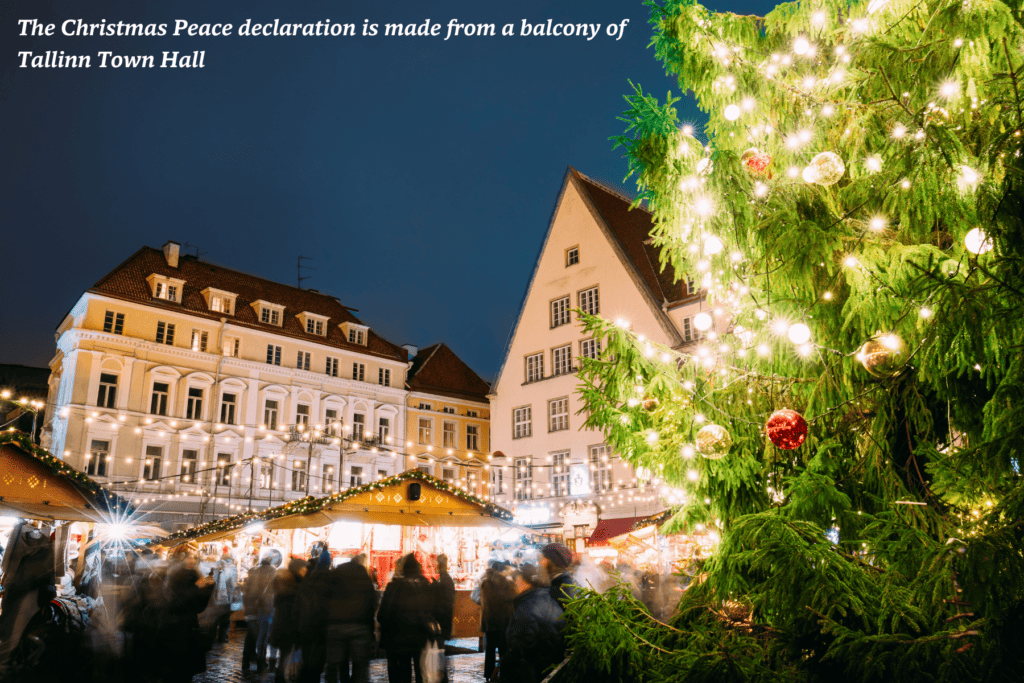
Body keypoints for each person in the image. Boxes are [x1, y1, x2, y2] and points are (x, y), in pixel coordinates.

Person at [377, 553, 436, 683]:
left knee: (404, 668)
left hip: (398, 635)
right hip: (419, 635)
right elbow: (432, 608)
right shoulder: (424, 584)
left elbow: (383, 613)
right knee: (421, 667)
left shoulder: (395, 585)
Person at [501, 564, 566, 683]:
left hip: (532, 673)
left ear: (527, 581)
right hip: (549, 670)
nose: (515, 582)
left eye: (518, 578)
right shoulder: (549, 599)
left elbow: (520, 649)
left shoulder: (526, 608)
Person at [321, 556, 379, 683]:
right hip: (360, 627)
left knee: (335, 664)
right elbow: (371, 603)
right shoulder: (364, 576)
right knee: (360, 666)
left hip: (335, 626)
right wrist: (371, 631)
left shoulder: (336, 573)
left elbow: (325, 599)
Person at [270, 558, 308, 683]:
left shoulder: (284, 584)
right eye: (303, 568)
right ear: (297, 570)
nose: (306, 571)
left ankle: (280, 679)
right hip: (291, 627)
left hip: (281, 626)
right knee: (288, 658)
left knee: (284, 658)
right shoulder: (296, 586)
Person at [478, 561, 514, 682]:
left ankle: (489, 675)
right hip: (504, 622)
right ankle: (504, 674)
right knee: (504, 650)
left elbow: (482, 601)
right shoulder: (507, 583)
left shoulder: (485, 583)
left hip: (489, 622)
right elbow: (510, 600)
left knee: (490, 650)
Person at [242, 552, 276, 672]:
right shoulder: (272, 572)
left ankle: (246, 662)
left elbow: (245, 593)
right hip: (263, 611)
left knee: (251, 636)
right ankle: (260, 664)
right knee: (261, 637)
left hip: (251, 611)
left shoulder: (254, 572)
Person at [431, 554, 456, 683]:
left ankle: (442, 676)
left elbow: (443, 600)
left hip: (442, 620)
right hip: (445, 618)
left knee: (440, 650)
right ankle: (442, 675)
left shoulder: (444, 579)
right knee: (440, 650)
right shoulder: (445, 579)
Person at [540, 543, 579, 609]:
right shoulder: (562, 581)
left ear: (553, 561)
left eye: (543, 559)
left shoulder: (563, 587)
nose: (540, 562)